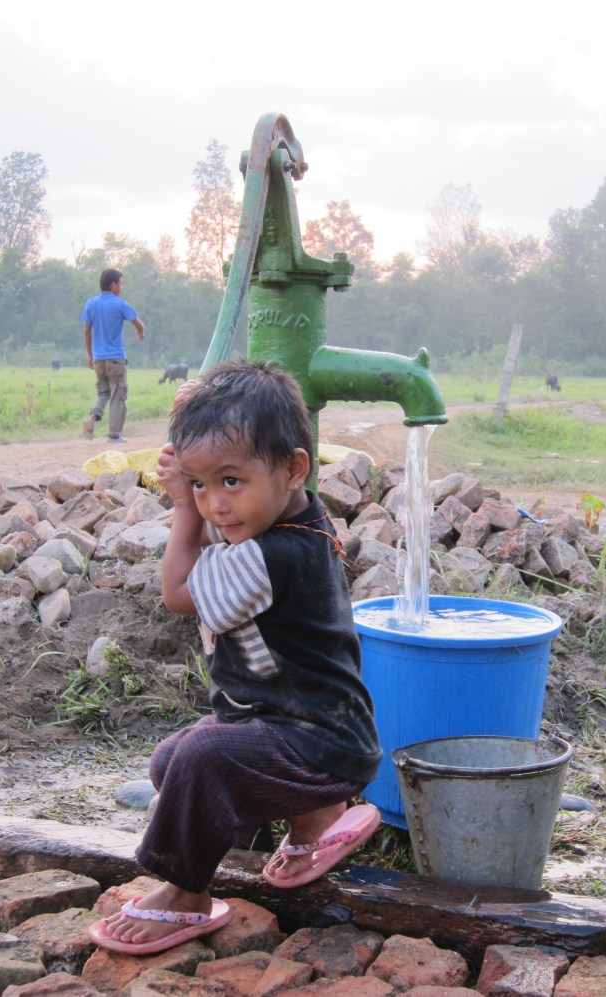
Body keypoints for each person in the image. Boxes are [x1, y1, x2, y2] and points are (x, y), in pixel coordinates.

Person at [89, 359, 382, 956]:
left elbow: (177, 595)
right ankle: (317, 819)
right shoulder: (301, 512)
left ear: (295, 468)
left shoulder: (267, 555)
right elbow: (243, 453)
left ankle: (186, 895)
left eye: (230, 482)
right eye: (200, 484)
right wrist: (201, 427)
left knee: (200, 755)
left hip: (314, 740)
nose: (216, 505)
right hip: (310, 728)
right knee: (172, 762)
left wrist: (181, 509)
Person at [81, 268, 145, 443]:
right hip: (116, 358)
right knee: (118, 394)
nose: (121, 287)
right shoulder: (120, 304)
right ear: (113, 285)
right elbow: (139, 324)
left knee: (103, 392)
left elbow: (87, 331)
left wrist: (89, 355)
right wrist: (139, 333)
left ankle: (92, 418)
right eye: (120, 283)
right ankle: (114, 435)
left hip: (98, 359)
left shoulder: (91, 304)